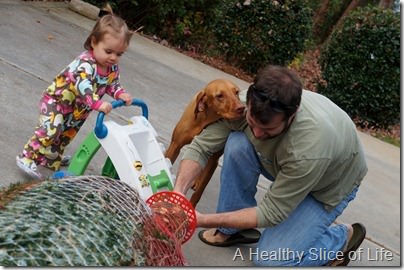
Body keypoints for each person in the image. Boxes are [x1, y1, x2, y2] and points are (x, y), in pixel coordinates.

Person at [173, 65, 368, 266]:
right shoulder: (249, 103)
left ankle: (341, 239)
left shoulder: (309, 148)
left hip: (328, 185)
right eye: (252, 122)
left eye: (268, 129)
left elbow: (272, 212)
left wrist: (203, 219)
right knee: (238, 142)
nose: (257, 134)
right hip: (287, 165)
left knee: (269, 260)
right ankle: (233, 231)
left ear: (292, 115)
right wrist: (179, 192)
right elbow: (201, 147)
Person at [16, 4, 133, 179]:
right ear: (94, 42)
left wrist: (119, 93)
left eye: (119, 54)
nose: (113, 58)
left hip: (77, 109)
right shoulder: (86, 63)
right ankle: (27, 156)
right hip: (57, 101)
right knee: (51, 128)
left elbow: (112, 84)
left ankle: (51, 157)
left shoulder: (112, 68)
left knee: (66, 133)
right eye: (108, 51)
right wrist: (97, 103)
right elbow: (83, 86)